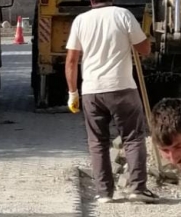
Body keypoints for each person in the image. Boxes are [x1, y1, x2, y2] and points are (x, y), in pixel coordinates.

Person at [64, 0, 158, 204]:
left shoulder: (80, 21)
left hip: (92, 90)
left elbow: (71, 60)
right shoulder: (123, 15)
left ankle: (104, 192)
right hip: (122, 87)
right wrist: (143, 39)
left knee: (97, 142)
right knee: (133, 138)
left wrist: (73, 92)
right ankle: (137, 188)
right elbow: (144, 49)